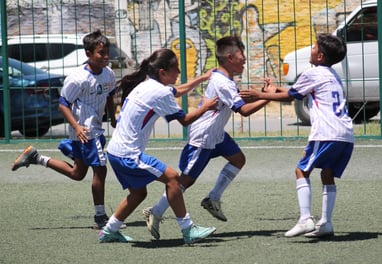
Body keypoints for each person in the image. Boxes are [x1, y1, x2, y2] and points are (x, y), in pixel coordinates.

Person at [143, 35, 270, 240]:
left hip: (217, 134)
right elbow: (244, 111)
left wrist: (261, 93)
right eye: (241, 55)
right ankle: (155, 211)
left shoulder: (223, 79)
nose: (245, 59)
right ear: (229, 57)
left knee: (238, 159)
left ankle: (213, 198)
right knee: (184, 181)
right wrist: (267, 96)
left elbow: (237, 100)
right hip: (203, 138)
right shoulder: (223, 83)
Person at [98, 48, 219, 244]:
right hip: (128, 154)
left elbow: (177, 91)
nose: (179, 72)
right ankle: (188, 230)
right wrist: (205, 106)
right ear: (163, 72)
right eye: (175, 68)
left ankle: (109, 230)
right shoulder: (160, 92)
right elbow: (186, 120)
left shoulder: (148, 85)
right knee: (173, 178)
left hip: (115, 151)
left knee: (139, 193)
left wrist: (202, 78)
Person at [240, 33, 354, 238]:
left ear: (320, 56)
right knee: (326, 174)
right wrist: (275, 89)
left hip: (326, 133)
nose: (311, 48)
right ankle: (326, 224)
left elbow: (290, 96)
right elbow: (296, 92)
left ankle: (305, 219)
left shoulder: (312, 73)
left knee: (301, 171)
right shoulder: (332, 74)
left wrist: (260, 95)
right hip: (345, 135)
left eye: (313, 47)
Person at [11, 30, 119, 229]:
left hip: (92, 130)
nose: (106, 57)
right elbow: (63, 104)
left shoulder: (108, 73)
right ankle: (100, 217)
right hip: (86, 131)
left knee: (77, 173)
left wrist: (113, 118)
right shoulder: (78, 78)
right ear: (88, 53)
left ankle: (36, 158)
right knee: (101, 170)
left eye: (107, 53)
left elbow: (110, 96)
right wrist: (76, 126)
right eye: (101, 53)